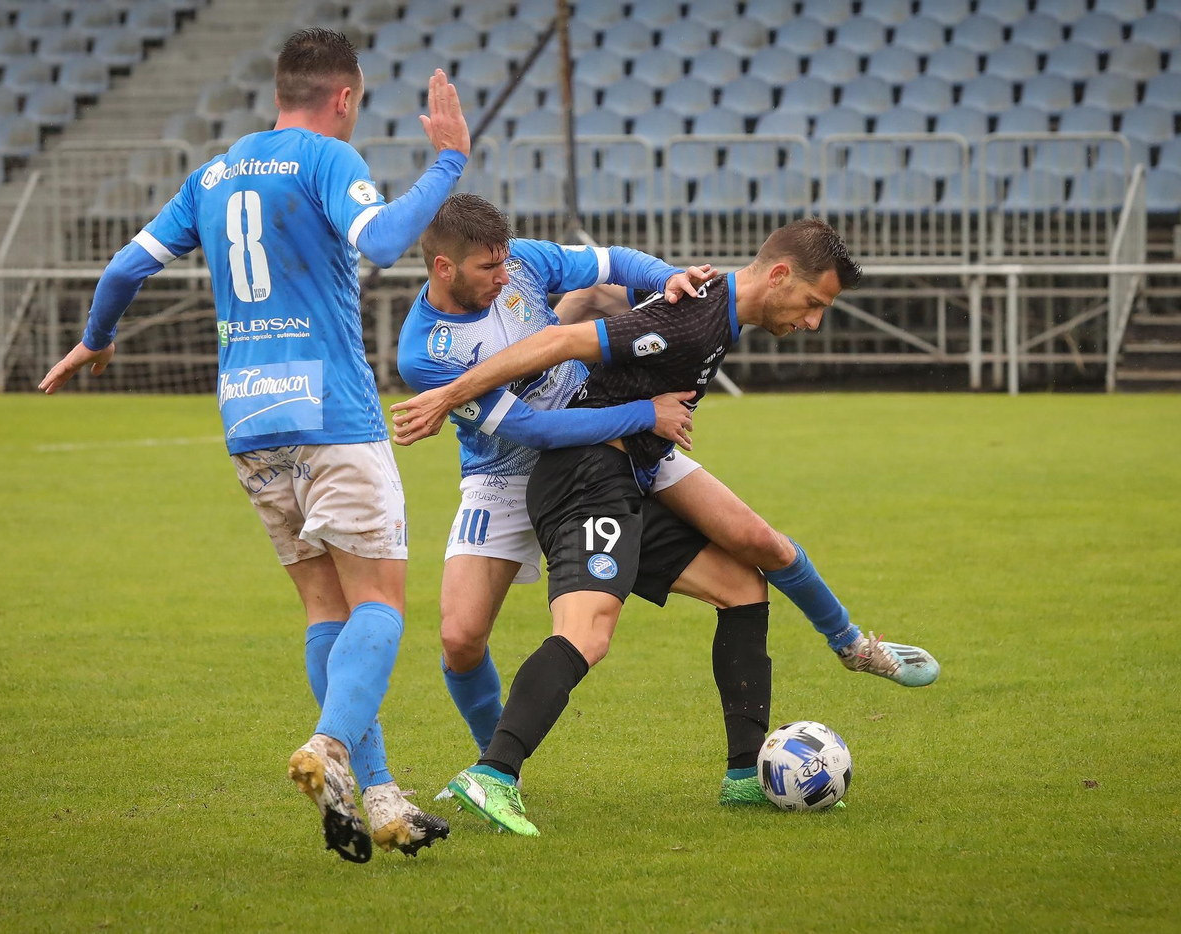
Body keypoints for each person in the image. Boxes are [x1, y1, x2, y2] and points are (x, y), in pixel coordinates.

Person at [38, 28, 468, 862]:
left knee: (324, 612)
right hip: (333, 415)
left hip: (249, 421)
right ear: (344, 96)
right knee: (379, 604)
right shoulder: (325, 158)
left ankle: (377, 796)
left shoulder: (215, 172)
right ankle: (330, 747)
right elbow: (380, 243)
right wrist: (448, 163)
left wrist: (97, 337)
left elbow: (126, 269)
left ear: (281, 90)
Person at [392, 220, 935, 835]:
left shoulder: (693, 304)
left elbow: (609, 265)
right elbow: (556, 361)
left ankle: (747, 769)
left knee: (746, 578)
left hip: (627, 455)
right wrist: (639, 411)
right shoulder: (427, 351)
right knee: (518, 635)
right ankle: (494, 770)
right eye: (813, 305)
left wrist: (663, 275)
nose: (813, 322)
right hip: (562, 461)